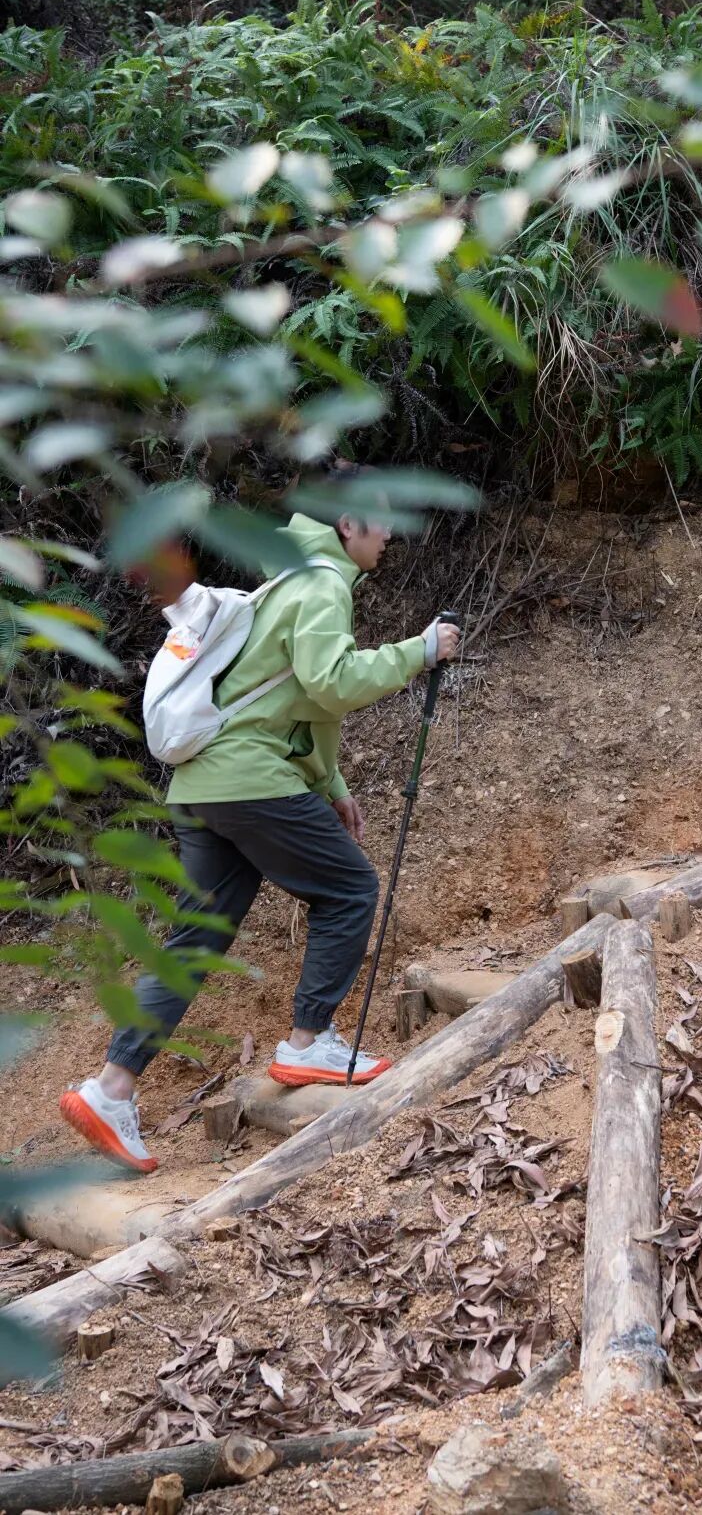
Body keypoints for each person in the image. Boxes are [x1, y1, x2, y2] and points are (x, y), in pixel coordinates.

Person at [59, 476, 460, 1173]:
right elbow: (332, 682)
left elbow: (295, 700)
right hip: (249, 779)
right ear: (345, 523)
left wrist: (330, 783)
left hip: (200, 786)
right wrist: (418, 652)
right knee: (350, 889)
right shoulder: (324, 586)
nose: (389, 534)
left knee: (198, 935)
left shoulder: (283, 584)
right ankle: (308, 1043)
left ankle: (110, 1090)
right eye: (381, 522)